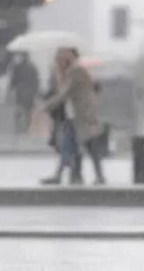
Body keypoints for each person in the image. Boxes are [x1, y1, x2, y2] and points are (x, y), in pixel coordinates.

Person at [42, 48, 108, 185]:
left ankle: (95, 176)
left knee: (90, 146)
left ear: (65, 60)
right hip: (73, 117)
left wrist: (46, 106)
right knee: (68, 146)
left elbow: (65, 94)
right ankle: (63, 175)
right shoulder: (67, 73)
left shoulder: (75, 71)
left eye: (58, 60)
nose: (57, 63)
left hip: (82, 116)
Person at [8, 53, 40, 134]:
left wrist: (11, 87)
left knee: (20, 108)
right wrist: (36, 91)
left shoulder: (18, 67)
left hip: (21, 90)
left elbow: (13, 80)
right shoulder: (32, 67)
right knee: (28, 110)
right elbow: (36, 80)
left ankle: (18, 126)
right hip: (29, 91)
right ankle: (26, 127)